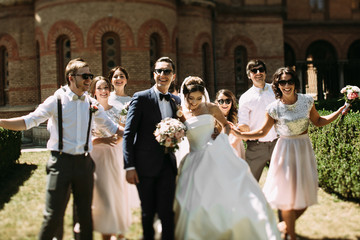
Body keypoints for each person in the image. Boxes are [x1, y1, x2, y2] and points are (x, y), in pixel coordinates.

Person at [0, 58, 123, 240]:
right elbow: (28, 121)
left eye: (90, 75)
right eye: (85, 76)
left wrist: (137, 132)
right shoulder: (56, 100)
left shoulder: (91, 103)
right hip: (60, 163)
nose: (89, 79)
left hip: (85, 164)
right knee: (52, 216)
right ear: (71, 77)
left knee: (85, 217)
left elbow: (112, 127)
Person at [238, 67, 347, 240]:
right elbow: (261, 132)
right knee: (287, 196)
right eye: (282, 82)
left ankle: (283, 227)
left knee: (306, 194)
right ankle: (291, 235)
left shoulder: (306, 101)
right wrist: (240, 134)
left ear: (295, 83)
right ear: (277, 85)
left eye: (290, 81)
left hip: (304, 148)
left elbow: (318, 121)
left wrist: (339, 111)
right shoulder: (273, 108)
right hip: (285, 151)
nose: (286, 85)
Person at [174, 76, 281, 240]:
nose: (195, 102)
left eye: (198, 98)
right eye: (191, 98)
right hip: (192, 158)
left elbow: (225, 125)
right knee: (192, 198)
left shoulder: (210, 107)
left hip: (212, 154)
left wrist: (221, 141)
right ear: (185, 96)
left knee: (219, 192)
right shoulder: (181, 112)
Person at [123, 57, 181, 240]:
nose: (163, 75)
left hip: (167, 165)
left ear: (173, 76)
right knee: (148, 213)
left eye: (167, 71)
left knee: (167, 213)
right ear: (154, 74)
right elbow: (128, 134)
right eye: (159, 71)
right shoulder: (140, 98)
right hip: (145, 166)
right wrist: (129, 166)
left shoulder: (176, 100)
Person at [88, 76, 139, 240]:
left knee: (118, 194)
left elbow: (124, 132)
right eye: (100, 88)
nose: (103, 91)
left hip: (115, 156)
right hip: (96, 157)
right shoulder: (89, 110)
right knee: (102, 197)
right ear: (94, 92)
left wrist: (116, 139)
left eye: (105, 88)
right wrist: (102, 140)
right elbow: (83, 137)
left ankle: (120, 232)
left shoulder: (117, 111)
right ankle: (105, 233)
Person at [237, 59, 278, 181]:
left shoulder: (276, 90)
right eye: (254, 71)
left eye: (261, 69)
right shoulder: (245, 98)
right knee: (250, 183)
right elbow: (244, 124)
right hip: (256, 147)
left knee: (283, 182)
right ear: (249, 75)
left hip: (278, 144)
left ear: (265, 73)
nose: (258, 72)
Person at [215, 89, 245, 159]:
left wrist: (232, 145)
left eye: (228, 101)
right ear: (217, 102)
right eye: (221, 101)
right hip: (219, 149)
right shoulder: (213, 117)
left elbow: (242, 132)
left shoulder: (238, 115)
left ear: (232, 102)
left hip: (235, 146)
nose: (224, 104)